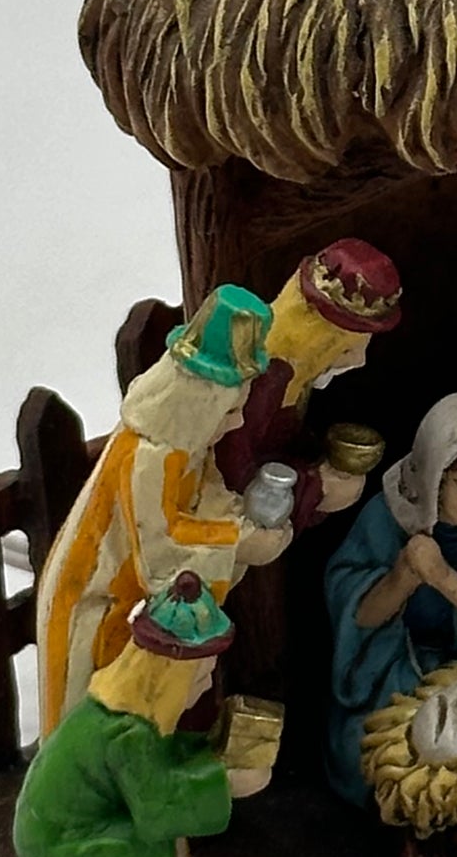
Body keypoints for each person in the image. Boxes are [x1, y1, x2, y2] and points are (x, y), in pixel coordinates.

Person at [34, 283, 288, 736]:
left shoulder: (186, 446)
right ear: (198, 403)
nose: (237, 422)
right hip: (97, 606)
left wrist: (239, 517)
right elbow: (161, 544)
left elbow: (206, 493)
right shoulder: (150, 456)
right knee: (90, 720)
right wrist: (240, 540)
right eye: (229, 411)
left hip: (132, 604)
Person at [12, 572, 271, 857]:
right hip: (58, 852)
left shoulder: (128, 715)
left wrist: (209, 748)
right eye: (201, 675)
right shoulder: (127, 735)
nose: (205, 686)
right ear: (169, 676)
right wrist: (228, 783)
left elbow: (158, 762)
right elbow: (156, 809)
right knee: (146, 847)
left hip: (53, 838)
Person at [323, 393, 457, 805]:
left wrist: (444, 578)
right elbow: (354, 614)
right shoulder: (387, 516)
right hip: (391, 670)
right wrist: (404, 576)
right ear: (434, 474)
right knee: (374, 751)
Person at [214, 239, 403, 531]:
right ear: (316, 338)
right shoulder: (268, 379)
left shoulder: (296, 376)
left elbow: (280, 440)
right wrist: (316, 485)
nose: (359, 361)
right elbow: (234, 476)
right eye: (346, 349)